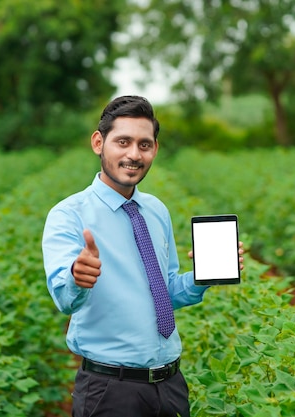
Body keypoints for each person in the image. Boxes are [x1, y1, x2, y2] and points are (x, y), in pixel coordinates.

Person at [42, 95, 244, 417]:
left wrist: (205, 274)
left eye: (144, 144)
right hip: (110, 391)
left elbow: (165, 292)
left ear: (155, 149)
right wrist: (78, 276)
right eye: (123, 141)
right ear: (99, 142)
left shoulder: (155, 210)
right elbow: (66, 299)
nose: (134, 154)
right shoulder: (68, 215)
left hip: (170, 384)